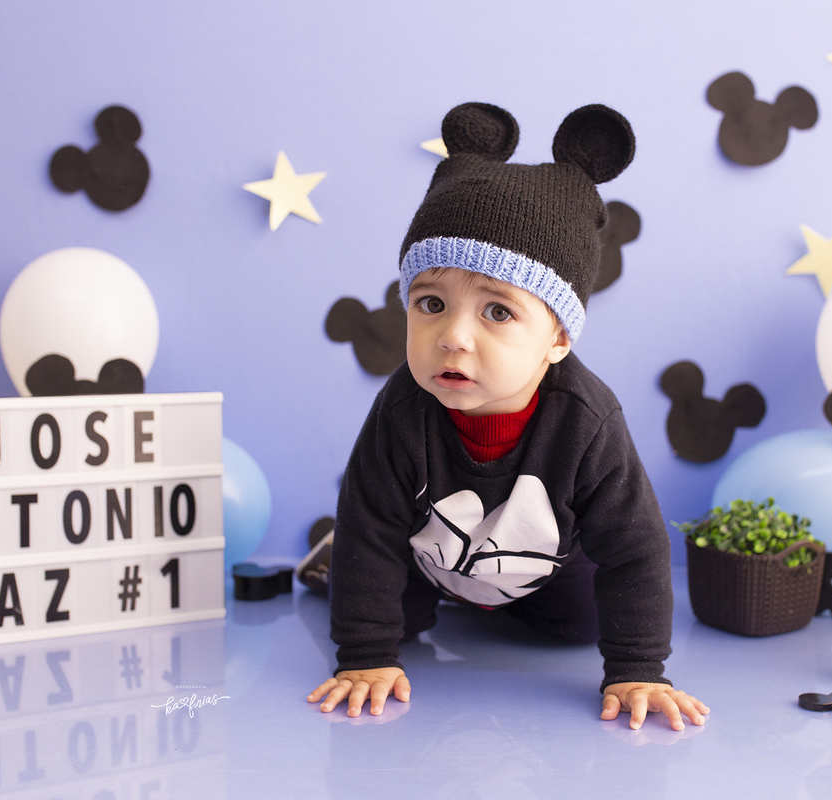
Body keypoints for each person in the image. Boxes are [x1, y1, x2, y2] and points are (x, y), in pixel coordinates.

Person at [302, 102, 709, 732]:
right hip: (430, 560)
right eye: (430, 303)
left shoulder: (587, 420)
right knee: (378, 594)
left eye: (498, 312)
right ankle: (360, 577)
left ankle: (505, 608)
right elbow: (370, 528)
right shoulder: (402, 410)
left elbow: (637, 549)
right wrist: (365, 655)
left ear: (558, 339)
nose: (452, 337)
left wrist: (639, 668)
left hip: (543, 569)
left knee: (581, 622)